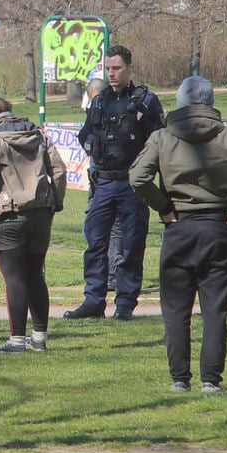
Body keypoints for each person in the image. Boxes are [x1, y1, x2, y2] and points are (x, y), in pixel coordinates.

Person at [130, 76, 227, 393]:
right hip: (218, 228)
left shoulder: (162, 137)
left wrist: (164, 207)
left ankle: (180, 379)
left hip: (178, 227)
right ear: (209, 102)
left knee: (176, 310)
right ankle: (211, 380)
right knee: (215, 310)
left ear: (178, 102)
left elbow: (138, 178)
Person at [66, 45, 164, 320]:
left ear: (130, 68)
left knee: (131, 245)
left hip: (133, 184)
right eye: (108, 68)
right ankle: (94, 301)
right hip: (104, 183)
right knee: (95, 243)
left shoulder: (145, 101)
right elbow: (85, 137)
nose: (111, 73)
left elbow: (159, 142)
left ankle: (125, 304)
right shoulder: (99, 101)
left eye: (117, 68)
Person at [0, 98, 66, 354]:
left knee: (14, 278)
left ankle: (16, 341)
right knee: (36, 274)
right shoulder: (37, 134)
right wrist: (55, 203)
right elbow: (58, 170)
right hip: (40, 213)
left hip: (8, 214)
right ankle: (39, 337)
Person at [83, 77, 123, 291]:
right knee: (116, 228)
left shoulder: (97, 114)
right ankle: (114, 273)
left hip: (103, 178)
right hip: (111, 177)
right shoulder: (124, 110)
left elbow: (85, 141)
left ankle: (107, 274)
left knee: (101, 226)